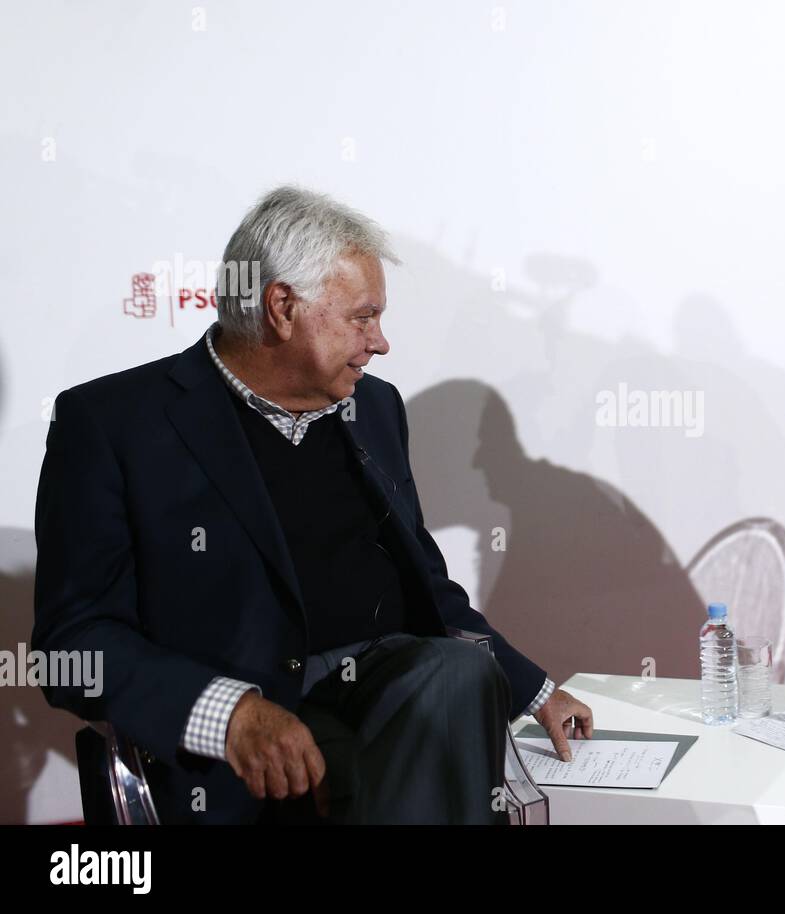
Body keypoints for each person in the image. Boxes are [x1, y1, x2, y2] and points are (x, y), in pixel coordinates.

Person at [33, 186, 593, 823]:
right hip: (234, 753)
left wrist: (534, 689)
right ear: (281, 307)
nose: (380, 343)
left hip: (394, 703)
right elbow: (72, 646)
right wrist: (230, 712)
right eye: (362, 317)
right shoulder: (113, 424)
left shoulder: (374, 409)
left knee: (458, 673)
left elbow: (429, 592)